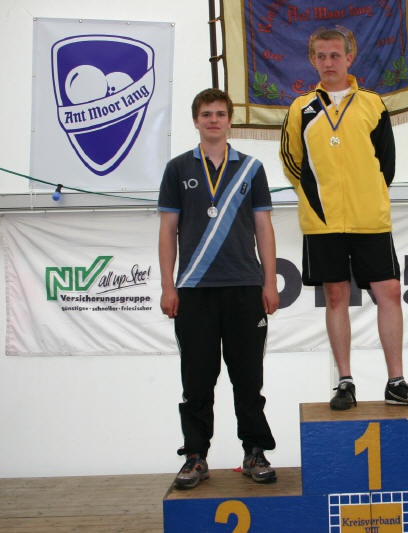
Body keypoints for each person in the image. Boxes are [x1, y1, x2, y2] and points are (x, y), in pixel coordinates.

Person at [279, 26, 408, 411]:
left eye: (335, 55)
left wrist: (368, 194)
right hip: (323, 221)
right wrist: (314, 196)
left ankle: (396, 382)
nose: (328, 62)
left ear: (350, 57)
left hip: (369, 219)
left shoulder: (373, 104)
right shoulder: (301, 108)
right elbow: (291, 160)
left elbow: (386, 164)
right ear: (312, 60)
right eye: (321, 56)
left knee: (389, 292)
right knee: (335, 296)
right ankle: (345, 382)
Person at [158, 88, 279, 489]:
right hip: (194, 290)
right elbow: (168, 231)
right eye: (207, 114)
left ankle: (255, 451)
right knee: (196, 381)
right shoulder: (177, 169)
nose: (214, 120)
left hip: (245, 287)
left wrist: (269, 281)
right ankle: (195, 456)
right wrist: (168, 286)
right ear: (196, 120)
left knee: (248, 379)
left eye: (220, 114)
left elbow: (264, 228)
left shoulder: (251, 168)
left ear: (230, 120)